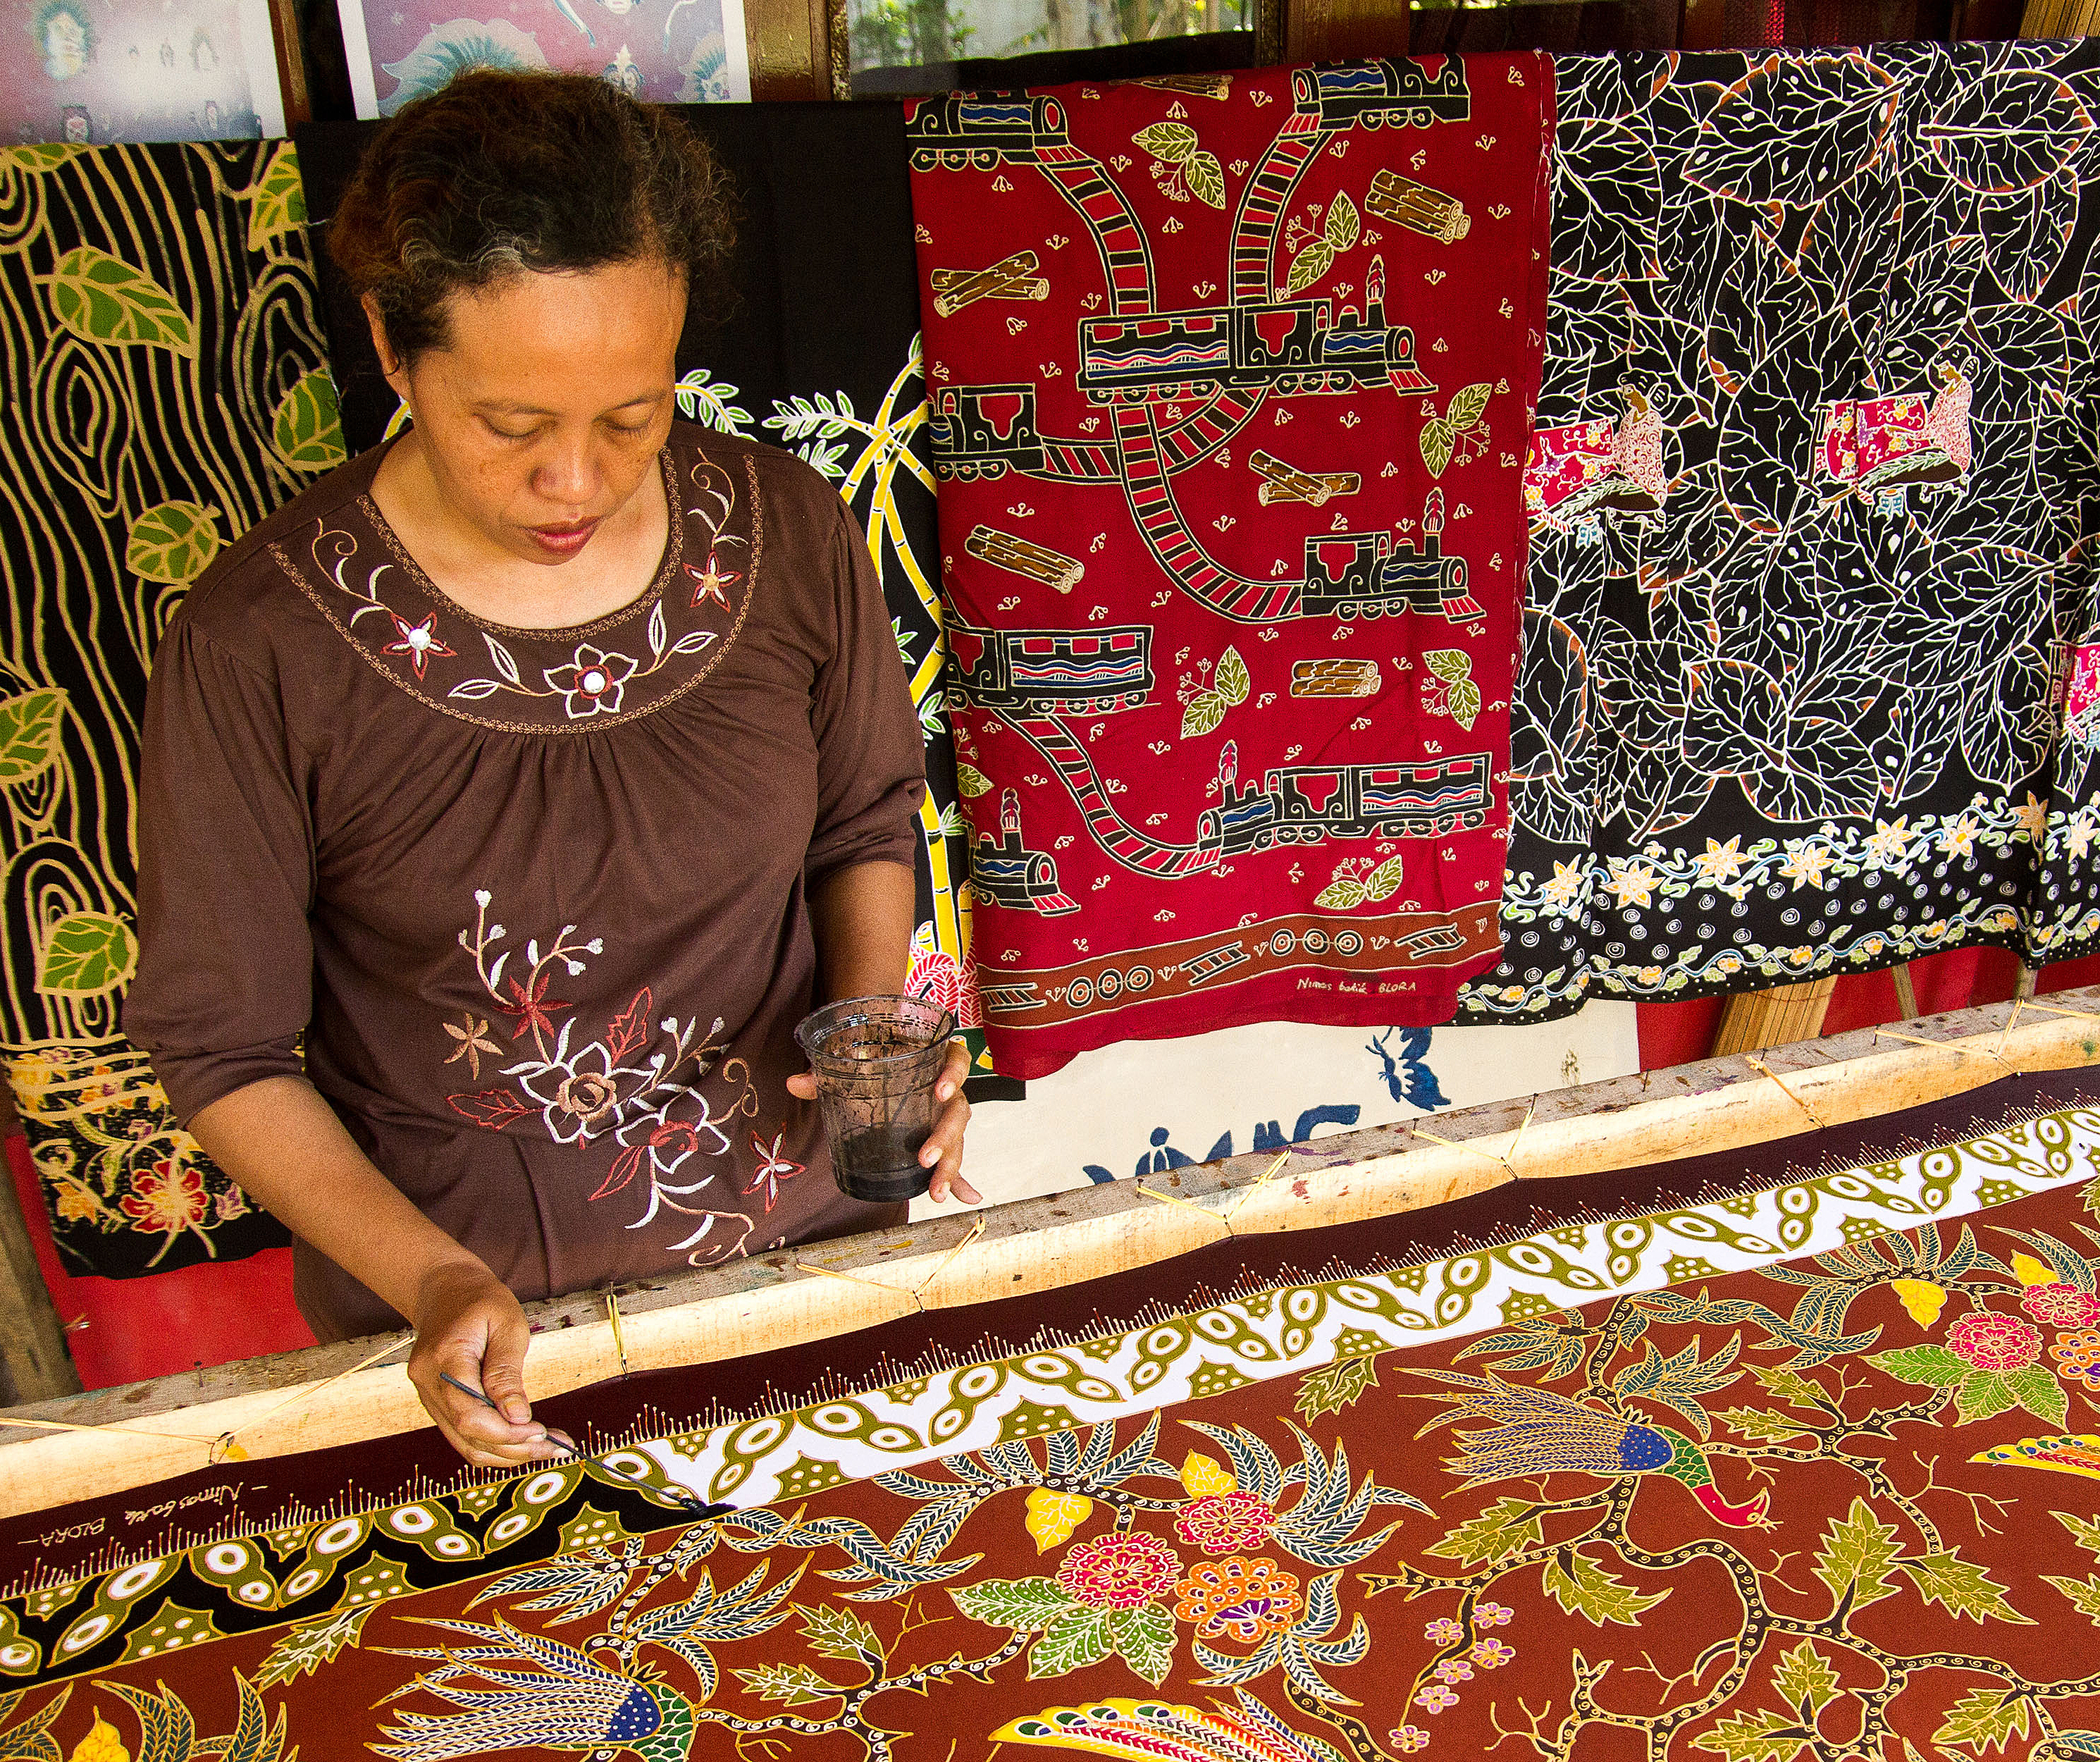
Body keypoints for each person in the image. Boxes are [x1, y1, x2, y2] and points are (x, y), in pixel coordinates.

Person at [125, 69, 976, 1468]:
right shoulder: (260, 642)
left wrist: (875, 1033)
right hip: (483, 1327)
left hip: (811, 1259)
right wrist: (433, 1281)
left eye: (631, 418)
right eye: (510, 428)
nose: (575, 481)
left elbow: (861, 815)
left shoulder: (784, 530)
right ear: (394, 356)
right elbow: (219, 1048)